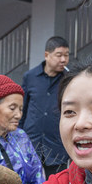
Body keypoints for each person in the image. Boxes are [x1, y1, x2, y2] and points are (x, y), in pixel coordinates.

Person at [20, 36, 70, 176]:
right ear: (47, 55)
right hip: (31, 140)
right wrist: (18, 135)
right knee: (26, 182)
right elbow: (22, 109)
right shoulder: (30, 77)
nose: (63, 60)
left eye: (66, 55)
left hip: (57, 143)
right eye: (59, 55)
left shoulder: (69, 79)